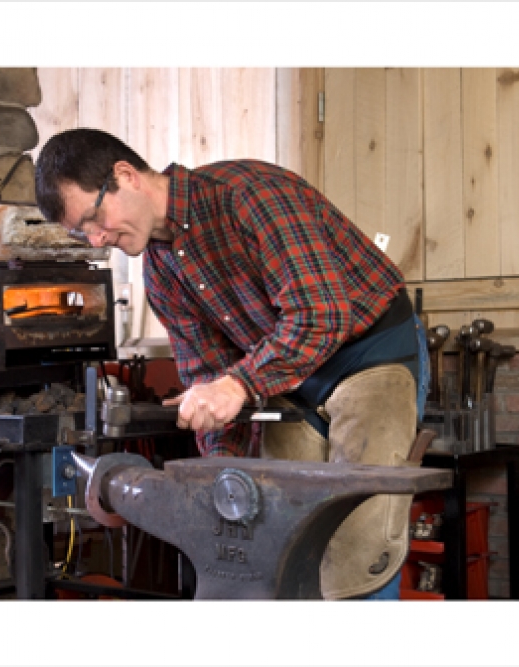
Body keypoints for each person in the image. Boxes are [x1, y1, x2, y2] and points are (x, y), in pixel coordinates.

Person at [35, 127, 430, 600]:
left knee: (358, 550)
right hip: (284, 379)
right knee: (280, 541)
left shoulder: (249, 196)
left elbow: (320, 314)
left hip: (369, 354)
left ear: (125, 176)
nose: (99, 238)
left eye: (95, 217)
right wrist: (220, 481)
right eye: (83, 234)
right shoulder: (160, 272)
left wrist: (238, 386)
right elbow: (209, 379)